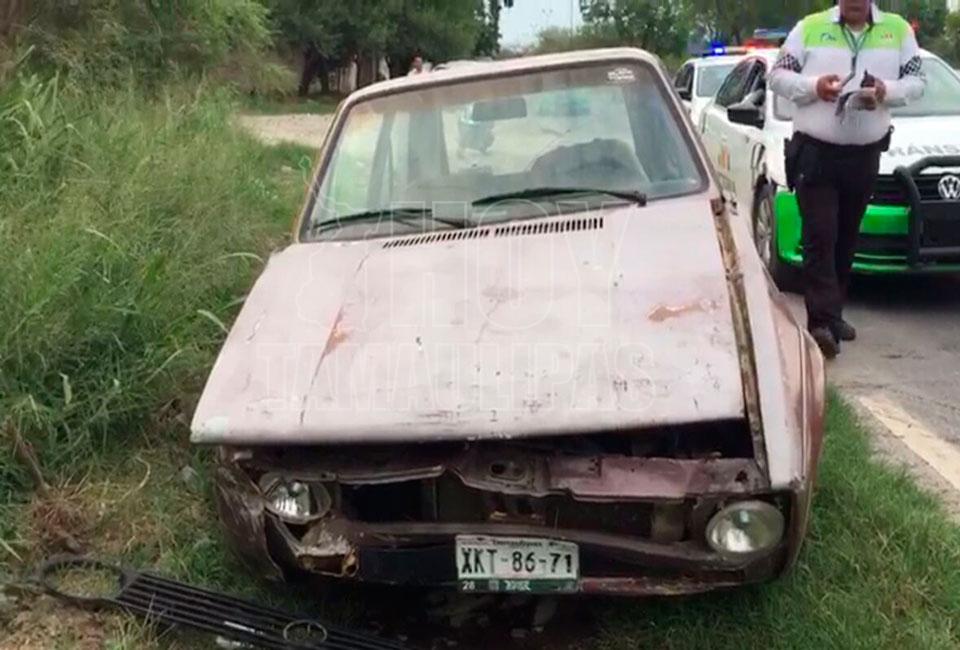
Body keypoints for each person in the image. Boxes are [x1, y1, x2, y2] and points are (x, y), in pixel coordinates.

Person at [769, 0, 925, 358]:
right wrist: (814, 87)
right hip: (816, 154)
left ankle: (833, 311)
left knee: (845, 236)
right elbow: (777, 76)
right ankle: (821, 323)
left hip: (864, 156)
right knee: (820, 234)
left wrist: (886, 92)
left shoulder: (898, 30)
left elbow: (918, 82)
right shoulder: (809, 27)